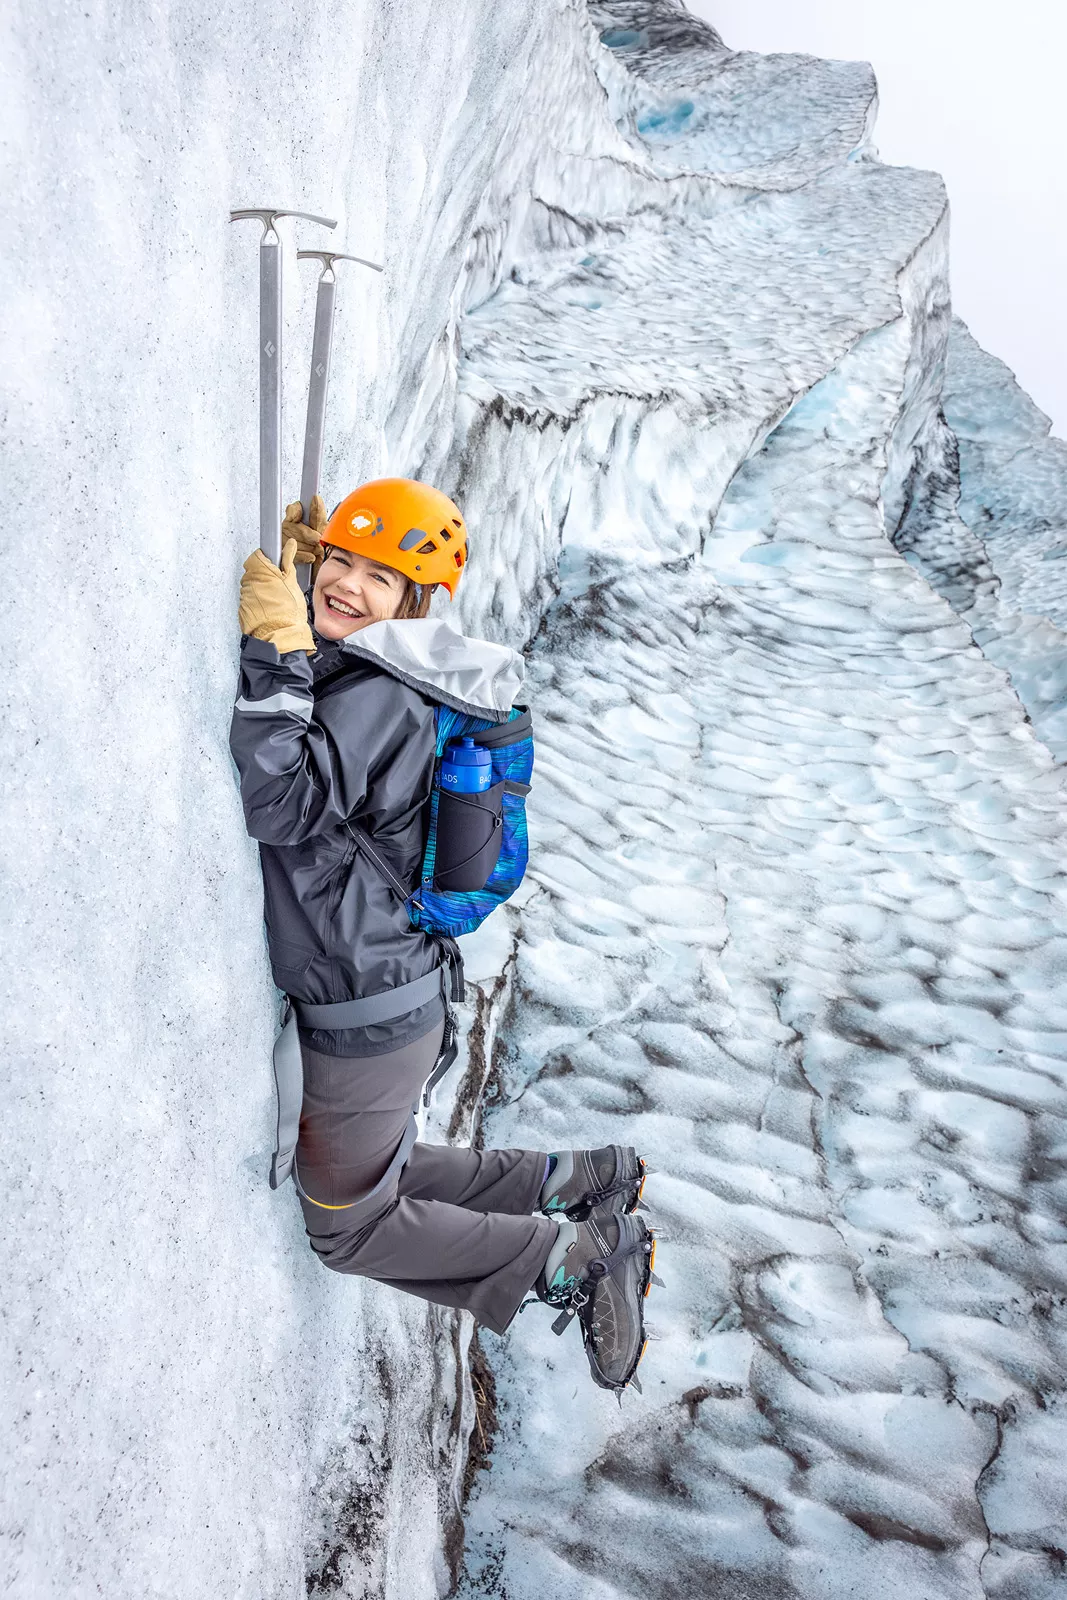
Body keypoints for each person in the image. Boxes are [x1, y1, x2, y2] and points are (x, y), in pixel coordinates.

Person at [229, 478, 658, 1392]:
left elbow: (284, 799)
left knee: (350, 1224)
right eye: (337, 559)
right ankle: (576, 1176)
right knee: (378, 1173)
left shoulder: (385, 692)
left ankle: (578, 1256)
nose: (345, 583)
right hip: (386, 990)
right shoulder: (392, 674)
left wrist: (274, 650)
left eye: (377, 576)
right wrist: (308, 621)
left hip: (367, 1005)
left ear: (414, 604)